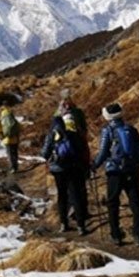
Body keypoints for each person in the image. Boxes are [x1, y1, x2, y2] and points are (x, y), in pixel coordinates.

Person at [93, 103, 139, 246]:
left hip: (114, 171)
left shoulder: (108, 131)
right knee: (135, 203)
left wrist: (94, 165)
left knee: (113, 203)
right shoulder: (131, 129)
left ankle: (116, 235)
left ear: (108, 116)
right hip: (132, 170)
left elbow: (103, 152)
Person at [41, 116, 88, 235]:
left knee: (62, 195)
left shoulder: (51, 136)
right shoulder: (71, 134)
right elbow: (81, 151)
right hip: (72, 168)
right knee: (75, 195)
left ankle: (63, 224)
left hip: (58, 170)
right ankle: (80, 226)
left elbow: (44, 153)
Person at [54, 88, 91, 222]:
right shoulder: (78, 113)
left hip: (62, 157)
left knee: (64, 189)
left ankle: (69, 214)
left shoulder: (57, 115)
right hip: (79, 152)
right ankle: (82, 211)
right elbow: (84, 130)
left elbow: (53, 134)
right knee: (80, 184)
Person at [0, 107, 20, 173]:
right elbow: (19, 127)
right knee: (15, 153)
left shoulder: (2, 119)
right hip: (15, 139)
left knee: (10, 154)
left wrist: (1, 134)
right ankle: (16, 166)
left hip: (7, 139)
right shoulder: (13, 118)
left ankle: (12, 168)